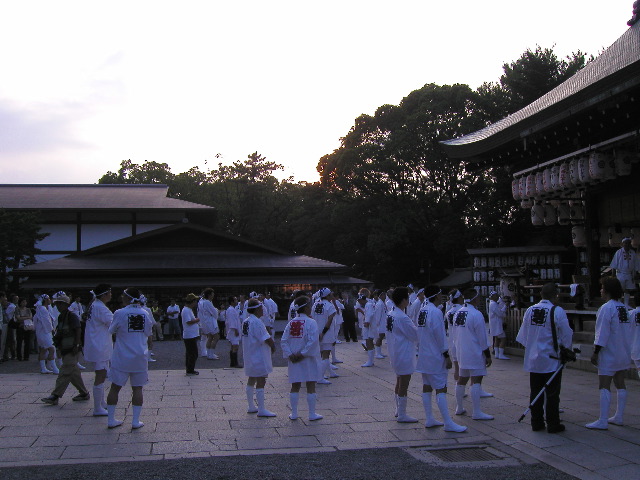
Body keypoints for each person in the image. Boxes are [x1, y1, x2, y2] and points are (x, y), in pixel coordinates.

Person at [516, 283, 573, 433]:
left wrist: (534, 345)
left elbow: (523, 336)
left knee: (536, 391)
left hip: (534, 358)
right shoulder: (557, 311)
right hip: (551, 357)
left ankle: (536, 422)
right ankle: (553, 423)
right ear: (555, 295)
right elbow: (566, 333)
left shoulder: (530, 310)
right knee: (552, 393)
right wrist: (566, 348)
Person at [416, 285, 467, 432]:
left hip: (424, 354)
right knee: (441, 388)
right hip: (435, 355)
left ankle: (430, 418)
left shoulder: (423, 310)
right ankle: (448, 422)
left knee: (427, 386)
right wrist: (446, 355)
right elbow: (440, 335)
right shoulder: (435, 311)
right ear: (437, 296)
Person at [586, 277, 633, 429]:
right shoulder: (624, 308)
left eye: (602, 287)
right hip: (623, 351)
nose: (600, 290)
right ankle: (618, 416)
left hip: (609, 351)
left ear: (607, 290)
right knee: (620, 383)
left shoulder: (606, 308)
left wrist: (596, 351)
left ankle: (603, 420)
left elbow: (602, 333)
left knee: (604, 385)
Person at [106, 287, 153, 429]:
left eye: (123, 296)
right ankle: (135, 420)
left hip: (122, 355)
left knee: (115, 387)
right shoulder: (145, 313)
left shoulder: (120, 313)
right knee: (138, 388)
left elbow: (111, 330)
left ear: (128, 298)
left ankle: (111, 419)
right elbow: (148, 332)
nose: (121, 298)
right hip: (139, 355)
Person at [41, 293, 90, 405]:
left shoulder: (72, 316)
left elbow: (78, 330)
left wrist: (76, 345)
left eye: (60, 304)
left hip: (72, 348)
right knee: (73, 373)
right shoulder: (62, 316)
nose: (58, 306)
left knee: (65, 370)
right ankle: (84, 393)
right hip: (65, 347)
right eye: (57, 304)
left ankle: (55, 395)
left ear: (65, 305)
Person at [453, 289, 493, 421]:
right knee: (476, 380)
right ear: (475, 299)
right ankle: (476, 411)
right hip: (474, 351)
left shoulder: (458, 313)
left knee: (462, 379)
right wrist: (487, 354)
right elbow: (482, 338)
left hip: (461, 350)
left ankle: (459, 407)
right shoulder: (476, 314)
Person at [281, 295, 323, 421]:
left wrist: (290, 354)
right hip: (308, 358)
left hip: (294, 359)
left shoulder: (291, 322)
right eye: (309, 306)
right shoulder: (311, 322)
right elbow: (313, 341)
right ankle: (311, 413)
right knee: (310, 384)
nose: (310, 308)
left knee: (295, 385)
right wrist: (303, 353)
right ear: (305, 309)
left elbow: (284, 341)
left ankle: (294, 413)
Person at [386, 286, 419, 423]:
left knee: (399, 380)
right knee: (404, 382)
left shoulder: (391, 313)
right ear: (404, 300)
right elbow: (414, 334)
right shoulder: (402, 317)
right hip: (403, 352)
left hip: (394, 351)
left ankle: (398, 409)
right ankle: (402, 414)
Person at [242, 298, 277, 417]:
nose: (263, 310)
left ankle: (251, 405)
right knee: (261, 380)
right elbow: (266, 337)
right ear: (256, 309)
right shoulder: (257, 322)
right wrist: (273, 346)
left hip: (249, 353)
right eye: (261, 308)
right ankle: (261, 409)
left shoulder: (246, 321)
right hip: (258, 354)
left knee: (251, 379)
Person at [83, 284, 114, 416]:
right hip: (100, 345)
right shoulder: (101, 308)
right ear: (104, 295)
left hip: (96, 343)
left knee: (102, 373)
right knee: (100, 375)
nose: (111, 295)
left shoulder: (94, 305)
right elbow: (113, 324)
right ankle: (97, 407)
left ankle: (101, 402)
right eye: (109, 293)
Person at [312, 288, 338, 382]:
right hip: (326, 333)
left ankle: (329, 372)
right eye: (330, 294)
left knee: (319, 355)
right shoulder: (330, 306)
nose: (332, 296)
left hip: (316, 332)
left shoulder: (315, 304)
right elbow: (329, 321)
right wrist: (323, 332)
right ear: (327, 296)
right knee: (326, 355)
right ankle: (320, 377)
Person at [33, 295, 58, 374]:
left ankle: (43, 368)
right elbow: (46, 321)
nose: (50, 300)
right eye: (49, 299)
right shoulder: (43, 309)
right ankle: (54, 368)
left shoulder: (42, 308)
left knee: (43, 350)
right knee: (51, 349)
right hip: (45, 332)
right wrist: (52, 329)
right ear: (46, 300)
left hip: (42, 332)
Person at [610, 238, 638, 307]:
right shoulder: (618, 252)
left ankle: (626, 304)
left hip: (629, 274)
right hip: (620, 273)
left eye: (628, 243)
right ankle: (619, 303)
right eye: (625, 243)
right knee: (620, 289)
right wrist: (613, 275)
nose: (627, 245)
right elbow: (614, 264)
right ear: (623, 244)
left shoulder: (633, 253)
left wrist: (635, 273)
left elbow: (636, 264)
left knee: (628, 289)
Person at [182, 293, 201, 375]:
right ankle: (190, 369)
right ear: (192, 301)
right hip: (189, 335)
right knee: (193, 353)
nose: (195, 303)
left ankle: (190, 368)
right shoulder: (186, 310)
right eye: (195, 301)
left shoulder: (188, 310)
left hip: (192, 334)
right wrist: (197, 320)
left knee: (190, 352)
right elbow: (188, 321)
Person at [199, 288, 220, 360]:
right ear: (209, 295)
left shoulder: (204, 302)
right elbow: (214, 312)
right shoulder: (207, 302)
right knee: (216, 337)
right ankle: (211, 354)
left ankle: (209, 353)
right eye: (212, 294)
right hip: (211, 322)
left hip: (208, 321)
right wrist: (217, 310)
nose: (213, 295)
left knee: (210, 337)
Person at [488, 291, 509, 360]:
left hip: (494, 324)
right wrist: (505, 306)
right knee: (503, 339)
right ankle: (501, 354)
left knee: (497, 338)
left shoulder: (492, 304)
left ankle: (497, 354)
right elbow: (500, 314)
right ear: (493, 296)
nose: (497, 297)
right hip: (497, 324)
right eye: (496, 296)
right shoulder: (493, 304)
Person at [15, 297, 34, 362]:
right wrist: (26, 318)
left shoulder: (28, 309)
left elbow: (31, 317)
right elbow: (18, 318)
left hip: (27, 326)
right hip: (20, 326)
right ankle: (19, 356)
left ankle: (26, 356)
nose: (24, 303)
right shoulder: (17, 309)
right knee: (19, 342)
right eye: (23, 302)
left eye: (25, 302)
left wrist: (23, 318)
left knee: (27, 342)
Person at [226, 296, 242, 368]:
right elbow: (232, 321)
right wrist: (235, 329)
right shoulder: (231, 310)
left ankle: (233, 362)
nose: (236, 301)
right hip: (233, 330)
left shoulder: (232, 309)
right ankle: (234, 363)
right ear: (232, 302)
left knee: (234, 346)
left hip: (234, 329)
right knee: (235, 346)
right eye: (235, 300)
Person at [2, 294, 18, 361]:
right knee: (9, 340)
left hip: (9, 324)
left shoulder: (11, 306)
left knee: (10, 340)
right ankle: (9, 355)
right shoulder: (11, 306)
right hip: (7, 324)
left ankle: (11, 355)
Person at [374, 290, 388, 358]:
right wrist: (377, 324)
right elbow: (377, 315)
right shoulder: (379, 304)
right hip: (380, 324)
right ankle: (377, 353)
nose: (385, 296)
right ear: (381, 295)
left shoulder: (383, 303)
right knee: (379, 338)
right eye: (384, 294)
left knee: (381, 337)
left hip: (383, 323)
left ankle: (379, 352)